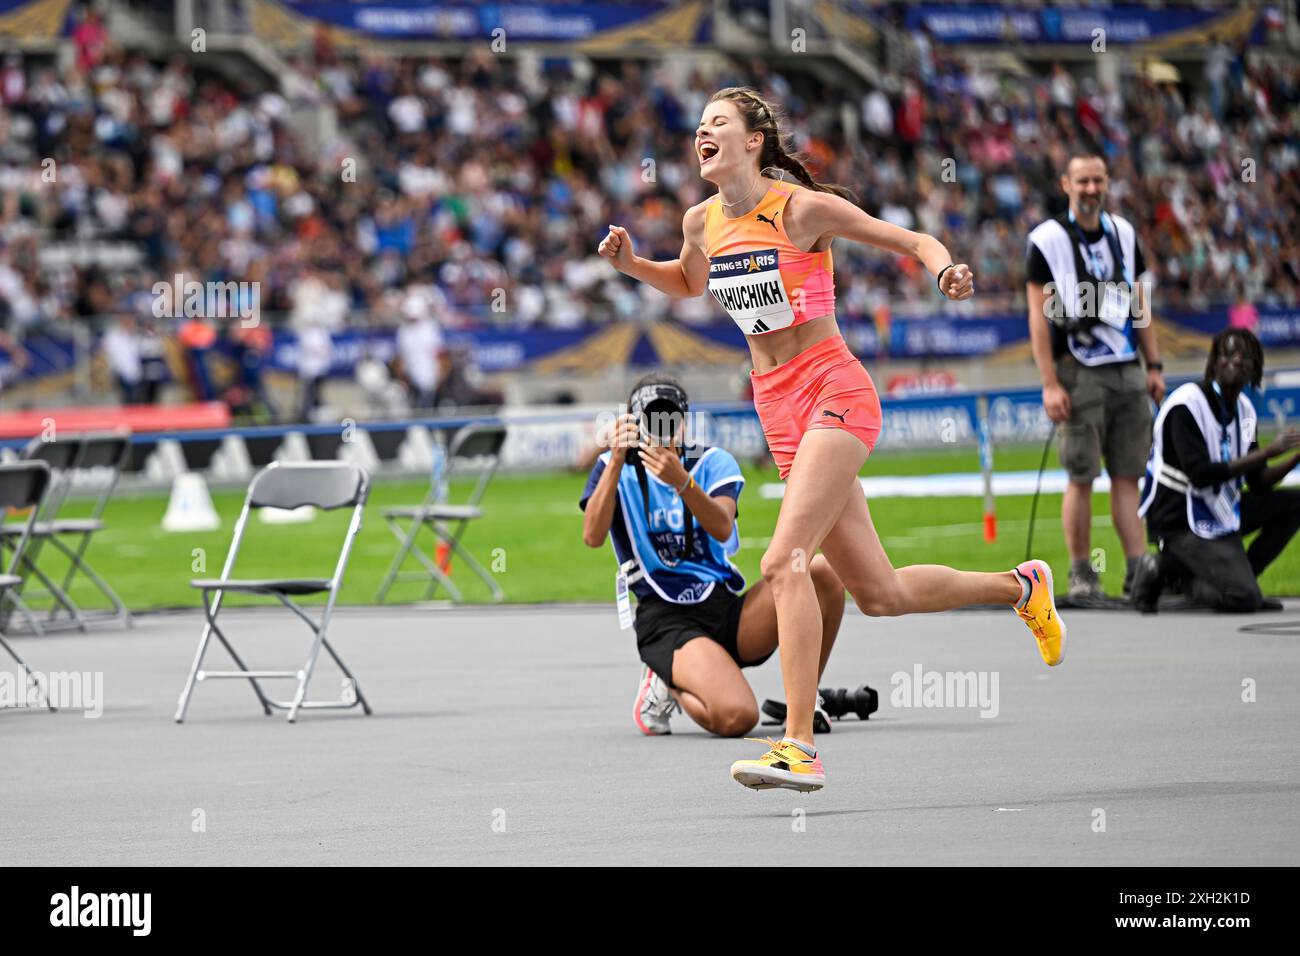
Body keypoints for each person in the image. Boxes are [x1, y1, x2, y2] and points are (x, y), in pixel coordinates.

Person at [597, 87, 1062, 793]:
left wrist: (944, 268)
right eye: (697, 127)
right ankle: (1019, 586)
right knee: (880, 592)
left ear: (754, 140)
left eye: (717, 124)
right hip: (777, 410)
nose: (701, 135)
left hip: (834, 391)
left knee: (785, 560)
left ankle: (799, 745)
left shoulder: (798, 209)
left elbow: (908, 238)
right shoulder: (700, 221)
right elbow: (690, 283)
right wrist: (633, 264)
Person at [581, 374, 847, 738]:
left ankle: (805, 698)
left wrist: (683, 482)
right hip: (666, 618)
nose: (661, 427)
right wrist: (614, 461)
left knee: (820, 572)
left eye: (669, 416)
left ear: (684, 421)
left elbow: (722, 527)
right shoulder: (615, 467)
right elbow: (593, 536)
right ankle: (667, 681)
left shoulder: (711, 462)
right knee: (737, 717)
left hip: (723, 607)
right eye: (650, 417)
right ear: (632, 420)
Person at [1026, 153, 1166, 601]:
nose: (1091, 189)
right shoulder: (1047, 239)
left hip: (1126, 367)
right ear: (1066, 184)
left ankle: (1137, 570)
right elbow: (1037, 316)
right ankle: (1082, 572)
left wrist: (1155, 365)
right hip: (1077, 370)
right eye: (1082, 181)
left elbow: (1140, 304)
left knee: (1129, 474)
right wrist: (1049, 382)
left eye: (1098, 181)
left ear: (1107, 183)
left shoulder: (1124, 232)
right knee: (1081, 474)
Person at [1132, 329, 1300, 613]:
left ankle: (1246, 581)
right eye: (1228, 354)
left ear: (1255, 367)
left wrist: (1294, 457)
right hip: (1178, 518)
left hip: (1218, 508)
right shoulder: (1186, 405)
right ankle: (1165, 569)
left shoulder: (1246, 412)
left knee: (1295, 503)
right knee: (1242, 599)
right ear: (1214, 363)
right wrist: (1269, 451)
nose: (1236, 361)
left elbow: (1257, 482)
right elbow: (1200, 475)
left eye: (1245, 356)